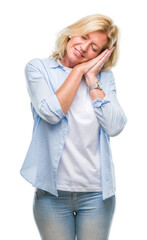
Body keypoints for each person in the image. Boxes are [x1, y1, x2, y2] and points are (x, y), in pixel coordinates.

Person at [20, 13, 127, 240]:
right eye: (84, 36)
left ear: (101, 55)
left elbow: (115, 126)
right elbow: (51, 113)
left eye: (94, 47)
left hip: (97, 195)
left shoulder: (104, 79)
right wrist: (78, 71)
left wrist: (92, 79)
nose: (84, 47)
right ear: (72, 33)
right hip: (52, 195)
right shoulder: (39, 69)